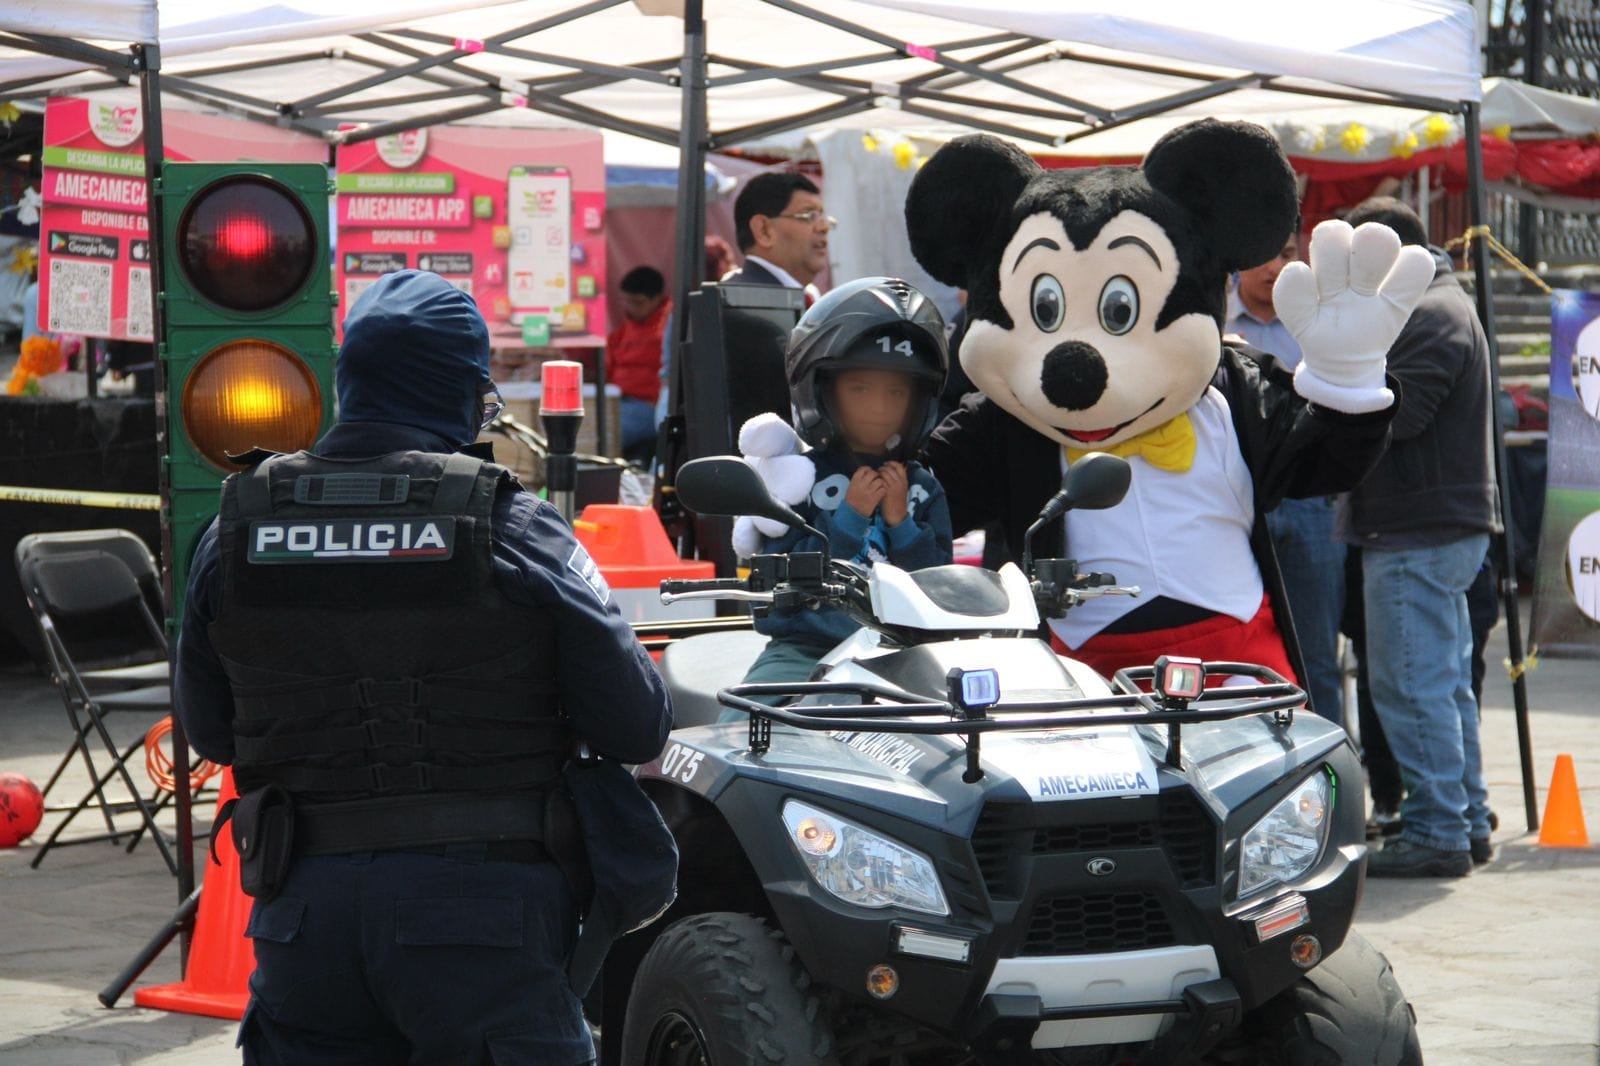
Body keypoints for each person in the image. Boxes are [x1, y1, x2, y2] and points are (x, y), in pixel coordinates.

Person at [173, 269, 673, 1063]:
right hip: (483, 922)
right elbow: (635, 721)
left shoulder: (234, 528)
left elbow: (212, 733)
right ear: (465, 391)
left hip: (305, 920)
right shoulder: (515, 524)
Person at [1338, 198, 1497, 878]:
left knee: (1412, 684)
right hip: (1427, 525)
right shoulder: (1436, 305)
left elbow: (1396, 416)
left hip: (1416, 530)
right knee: (1442, 681)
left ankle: (1438, 830)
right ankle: (1463, 817)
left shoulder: (1428, 314)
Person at [738, 277, 952, 699]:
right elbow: (776, 589)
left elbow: (940, 586)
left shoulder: (923, 488)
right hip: (805, 653)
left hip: (907, 657)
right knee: (747, 729)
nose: (879, 407)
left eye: (897, 392)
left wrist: (901, 523)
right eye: (860, 389)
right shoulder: (795, 478)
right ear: (820, 389)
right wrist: (850, 518)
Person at [1226, 230, 1347, 726]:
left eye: (1288, 255)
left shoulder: (1315, 325)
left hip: (1310, 506)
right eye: (1263, 256)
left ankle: (1334, 767)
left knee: (1318, 654)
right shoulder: (1211, 325)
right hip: (1238, 505)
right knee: (1241, 648)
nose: (1275, 267)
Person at [722, 172, 831, 300]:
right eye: (808, 215)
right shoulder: (738, 302)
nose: (824, 227)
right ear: (763, 230)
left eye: (822, 217)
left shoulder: (807, 298)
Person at [607, 265, 670, 463]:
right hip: (618, 401)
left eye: (638, 302)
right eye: (626, 301)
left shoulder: (668, 324)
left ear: (657, 298)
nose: (630, 307)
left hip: (649, 406)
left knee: (604, 432)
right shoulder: (623, 331)